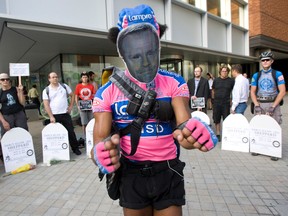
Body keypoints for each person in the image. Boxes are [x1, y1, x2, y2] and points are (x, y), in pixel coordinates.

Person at [91, 4, 218, 216]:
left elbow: (183, 131)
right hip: (131, 172)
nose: (145, 61)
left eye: (150, 51)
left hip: (167, 169)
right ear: (124, 53)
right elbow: (99, 142)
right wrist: (101, 156)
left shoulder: (174, 82)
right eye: (136, 55)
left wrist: (195, 136)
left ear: (157, 46)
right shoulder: (106, 92)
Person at [250, 51, 286, 161]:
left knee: (274, 127)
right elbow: (252, 92)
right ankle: (258, 148)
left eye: (267, 60)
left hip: (272, 103)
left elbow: (282, 91)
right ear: (260, 62)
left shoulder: (278, 74)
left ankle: (274, 151)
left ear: (272, 61)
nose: (265, 62)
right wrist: (256, 105)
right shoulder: (256, 75)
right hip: (260, 103)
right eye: (263, 60)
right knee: (259, 127)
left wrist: (273, 106)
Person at [42, 72, 81, 155]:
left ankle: (75, 149)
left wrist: (70, 106)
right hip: (54, 115)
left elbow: (72, 95)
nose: (55, 78)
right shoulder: (46, 90)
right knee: (56, 134)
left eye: (56, 77)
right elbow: (46, 104)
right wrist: (51, 116)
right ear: (49, 79)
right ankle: (57, 151)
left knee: (71, 132)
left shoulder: (64, 86)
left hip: (65, 113)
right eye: (53, 77)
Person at [0, 73, 28, 161]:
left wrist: (20, 91)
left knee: (23, 133)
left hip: (19, 113)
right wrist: (3, 121)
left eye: (7, 79)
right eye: (2, 79)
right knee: (6, 136)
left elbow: (22, 103)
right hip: (6, 116)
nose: (5, 81)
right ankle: (7, 158)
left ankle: (27, 154)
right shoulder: (0, 93)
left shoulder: (15, 89)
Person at [212, 66, 235, 141]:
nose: (224, 72)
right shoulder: (216, 80)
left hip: (226, 103)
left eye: (226, 71)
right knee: (217, 119)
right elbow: (213, 89)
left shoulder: (231, 81)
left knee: (226, 119)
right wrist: (213, 99)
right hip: (217, 102)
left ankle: (226, 133)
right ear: (220, 72)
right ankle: (218, 133)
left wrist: (232, 100)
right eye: (223, 71)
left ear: (228, 72)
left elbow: (233, 91)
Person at [75, 71, 96, 144]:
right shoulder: (78, 86)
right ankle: (85, 137)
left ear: (88, 78)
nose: (84, 78)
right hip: (82, 105)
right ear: (81, 78)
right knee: (84, 123)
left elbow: (94, 95)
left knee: (91, 121)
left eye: (86, 77)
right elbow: (76, 96)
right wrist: (77, 105)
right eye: (83, 77)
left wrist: (94, 104)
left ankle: (92, 135)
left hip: (90, 105)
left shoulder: (91, 86)